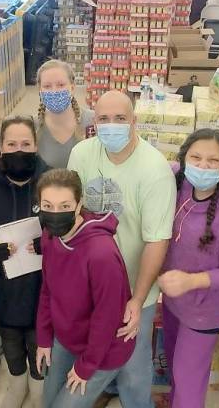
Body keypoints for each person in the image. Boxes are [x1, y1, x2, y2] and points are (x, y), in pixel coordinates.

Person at [67, 90, 176, 408]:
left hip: (133, 286)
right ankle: (108, 389)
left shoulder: (154, 170)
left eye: (120, 119)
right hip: (92, 282)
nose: (111, 125)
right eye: (103, 119)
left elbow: (157, 240)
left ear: (134, 122)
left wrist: (138, 298)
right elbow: (72, 214)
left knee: (132, 366)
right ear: (93, 122)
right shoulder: (82, 154)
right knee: (93, 344)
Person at [157, 129, 219, 408]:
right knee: (175, 370)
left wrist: (192, 282)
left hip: (204, 310)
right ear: (184, 158)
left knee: (190, 380)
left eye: (213, 161)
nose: (203, 166)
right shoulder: (180, 181)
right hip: (172, 301)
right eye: (196, 158)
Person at [35, 169, 136, 408]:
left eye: (64, 206)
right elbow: (48, 290)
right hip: (68, 337)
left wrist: (86, 367)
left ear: (79, 204)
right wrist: (44, 338)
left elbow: (107, 317)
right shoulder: (50, 236)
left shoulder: (101, 253)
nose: (55, 214)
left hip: (104, 348)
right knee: (47, 401)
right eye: (47, 206)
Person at [0, 116, 51, 408]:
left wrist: (50, 243)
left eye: (26, 144)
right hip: (1, 285)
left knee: (38, 339)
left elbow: (71, 226)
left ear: (36, 145)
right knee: (11, 339)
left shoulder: (51, 180)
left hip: (41, 287)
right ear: (0, 147)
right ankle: (17, 382)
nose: (19, 150)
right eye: (12, 144)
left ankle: (38, 385)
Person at [36, 59, 95, 168]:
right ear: (40, 90)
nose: (54, 91)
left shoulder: (93, 121)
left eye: (60, 85)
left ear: (72, 88)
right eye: (47, 86)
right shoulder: (33, 127)